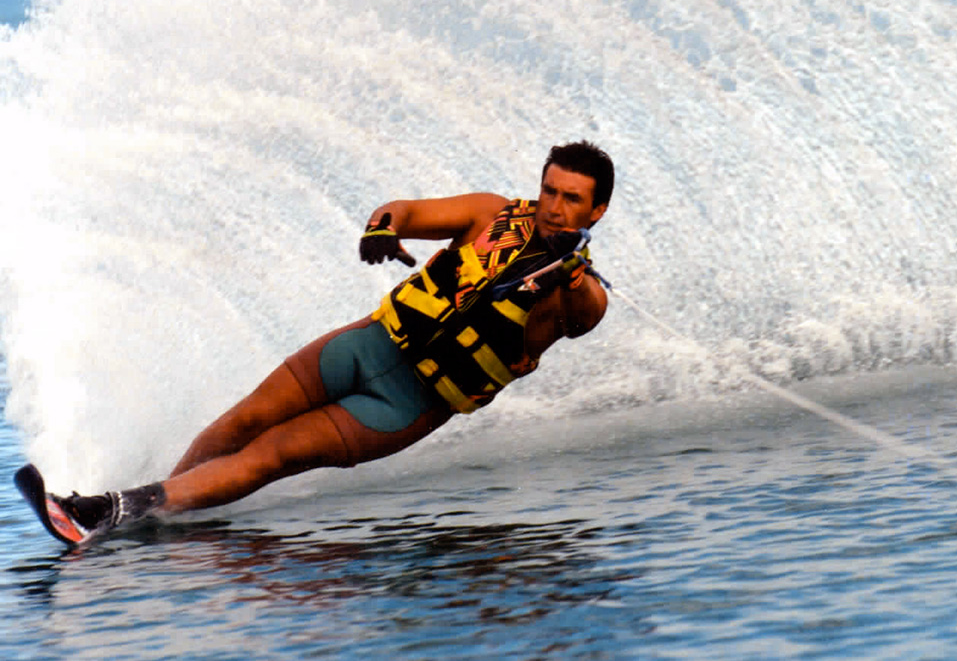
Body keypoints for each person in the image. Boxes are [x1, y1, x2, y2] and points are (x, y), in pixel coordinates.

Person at [37, 141, 614, 544]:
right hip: (369, 344)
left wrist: (565, 279)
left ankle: (112, 511)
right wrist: (381, 228)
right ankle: (146, 506)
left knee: (270, 454)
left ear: (597, 210)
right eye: (549, 191)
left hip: (406, 403)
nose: (554, 208)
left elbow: (575, 314)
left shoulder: (582, 293)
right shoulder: (493, 213)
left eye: (570, 199)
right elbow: (405, 210)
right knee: (243, 421)